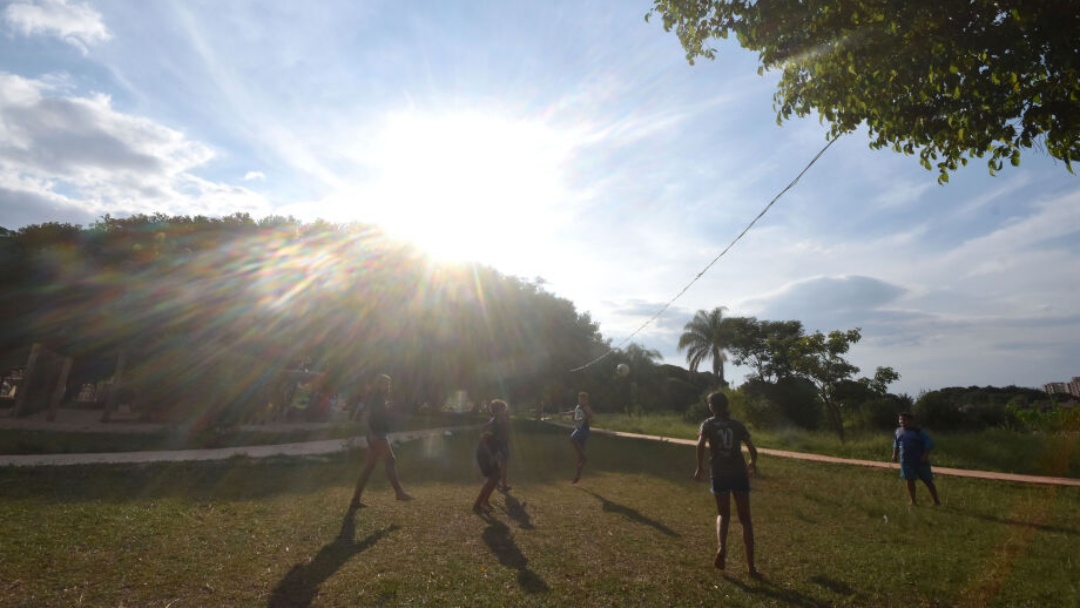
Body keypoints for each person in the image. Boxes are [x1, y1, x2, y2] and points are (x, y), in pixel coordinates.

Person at [694, 391, 759, 577]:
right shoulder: (737, 424)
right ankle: (751, 567)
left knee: (723, 514)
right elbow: (752, 448)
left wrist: (700, 467)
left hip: (719, 473)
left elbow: (700, 444)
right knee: (745, 520)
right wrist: (752, 463)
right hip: (739, 473)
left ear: (712, 406)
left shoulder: (708, 424)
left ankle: (722, 547)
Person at [349, 374, 413, 509]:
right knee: (390, 460)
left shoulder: (377, 398)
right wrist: (373, 434)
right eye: (386, 384)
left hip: (375, 434)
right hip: (378, 435)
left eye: (389, 384)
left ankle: (355, 499)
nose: (388, 387)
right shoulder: (377, 398)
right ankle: (399, 493)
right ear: (379, 384)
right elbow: (373, 417)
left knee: (369, 467)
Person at [892, 412, 941, 506]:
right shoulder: (898, 431)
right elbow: (896, 444)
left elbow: (928, 443)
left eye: (904, 419)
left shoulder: (918, 431)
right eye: (900, 419)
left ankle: (936, 501)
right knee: (909, 480)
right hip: (906, 461)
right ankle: (913, 501)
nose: (902, 421)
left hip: (920, 461)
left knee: (927, 481)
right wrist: (894, 455)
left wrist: (925, 455)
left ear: (910, 420)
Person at [473, 399, 510, 511]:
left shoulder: (499, 423)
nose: (504, 412)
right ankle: (477, 504)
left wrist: (498, 453)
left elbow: (498, 441)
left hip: (491, 453)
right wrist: (490, 456)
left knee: (497, 476)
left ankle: (485, 501)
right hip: (484, 454)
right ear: (496, 411)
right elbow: (484, 441)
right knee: (493, 476)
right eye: (503, 410)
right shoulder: (492, 424)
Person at [568, 391, 593, 484]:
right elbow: (574, 412)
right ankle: (577, 476)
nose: (581, 400)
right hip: (578, 429)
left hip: (583, 430)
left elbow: (591, 415)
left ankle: (584, 457)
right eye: (580, 399)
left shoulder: (586, 407)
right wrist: (566, 413)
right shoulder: (578, 406)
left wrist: (586, 417)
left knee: (572, 438)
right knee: (580, 457)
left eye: (583, 399)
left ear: (586, 400)